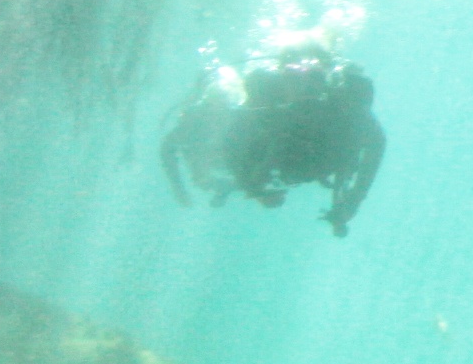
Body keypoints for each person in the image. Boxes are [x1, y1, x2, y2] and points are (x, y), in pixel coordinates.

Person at [160, 36, 387, 236]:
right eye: (293, 77)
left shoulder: (346, 107)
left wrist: (352, 201)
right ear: (280, 76)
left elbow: (376, 145)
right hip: (279, 164)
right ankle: (220, 180)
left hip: (308, 163)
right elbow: (231, 141)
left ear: (326, 80)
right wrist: (253, 188)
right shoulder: (264, 102)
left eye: (313, 78)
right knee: (221, 164)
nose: (304, 87)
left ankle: (226, 181)